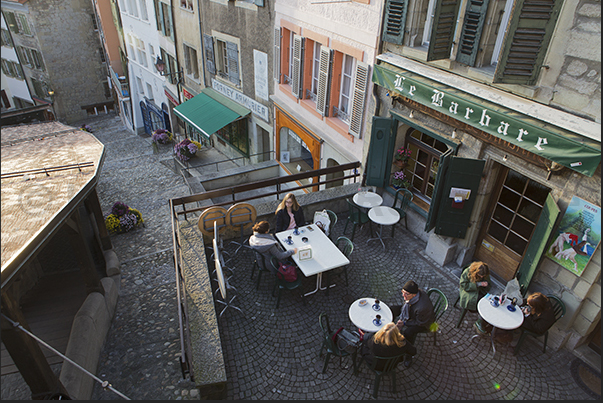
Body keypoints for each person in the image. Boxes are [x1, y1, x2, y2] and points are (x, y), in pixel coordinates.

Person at [390, 280, 435, 367]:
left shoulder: (422, 307)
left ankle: (408, 355)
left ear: (414, 295)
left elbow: (419, 322)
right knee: (392, 309)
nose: (403, 295)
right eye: (403, 292)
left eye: (406, 294)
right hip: (412, 313)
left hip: (423, 323)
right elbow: (405, 306)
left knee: (408, 332)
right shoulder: (412, 296)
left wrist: (404, 323)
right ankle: (391, 331)